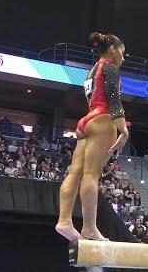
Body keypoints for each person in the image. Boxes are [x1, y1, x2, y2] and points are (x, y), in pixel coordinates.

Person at [55, 32, 129, 241]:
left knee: (74, 174)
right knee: (91, 176)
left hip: (85, 122)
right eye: (122, 53)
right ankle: (88, 227)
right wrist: (123, 130)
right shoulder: (110, 68)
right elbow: (114, 100)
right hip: (102, 121)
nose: (123, 58)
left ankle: (64, 221)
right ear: (112, 50)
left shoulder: (91, 71)